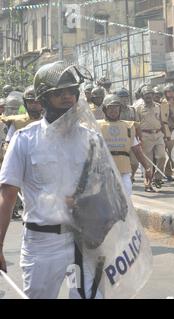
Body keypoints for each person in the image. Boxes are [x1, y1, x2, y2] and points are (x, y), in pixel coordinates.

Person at [0, 61, 104, 298]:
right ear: (44, 99)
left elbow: (104, 189)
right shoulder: (25, 139)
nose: (68, 98)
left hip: (84, 240)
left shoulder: (90, 139)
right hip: (42, 242)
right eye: (59, 93)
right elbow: (7, 196)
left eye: (71, 92)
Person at [97, 94, 152, 196]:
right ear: (105, 109)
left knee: (126, 198)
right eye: (110, 108)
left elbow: (137, 150)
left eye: (116, 108)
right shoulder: (97, 126)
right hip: (105, 171)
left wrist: (147, 168)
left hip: (124, 170)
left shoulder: (128, 127)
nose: (114, 111)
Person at [135, 85, 166, 191]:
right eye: (146, 95)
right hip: (145, 136)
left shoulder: (158, 106)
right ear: (142, 96)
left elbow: (161, 121)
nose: (148, 96)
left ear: (153, 95)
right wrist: (138, 137)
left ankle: (158, 178)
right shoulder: (138, 108)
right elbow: (136, 124)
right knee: (147, 162)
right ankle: (147, 184)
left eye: (150, 94)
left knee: (162, 157)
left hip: (158, 134)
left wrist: (166, 134)